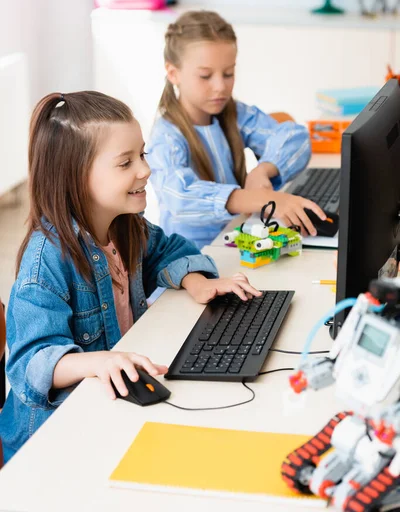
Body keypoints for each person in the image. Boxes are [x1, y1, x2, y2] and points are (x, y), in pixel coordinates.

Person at [0, 90, 261, 462]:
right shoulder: (46, 261)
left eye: (142, 154)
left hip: (111, 412)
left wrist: (198, 282)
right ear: (75, 177)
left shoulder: (126, 226)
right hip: (51, 442)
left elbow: (168, 249)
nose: (145, 170)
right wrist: (99, 361)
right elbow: (31, 364)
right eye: (125, 163)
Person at [148, 10, 325, 249]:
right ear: (173, 73)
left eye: (228, 73)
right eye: (205, 75)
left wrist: (263, 170)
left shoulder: (235, 115)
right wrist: (261, 199)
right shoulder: (166, 137)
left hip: (237, 242)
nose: (220, 86)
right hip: (191, 262)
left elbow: (295, 138)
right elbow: (179, 196)